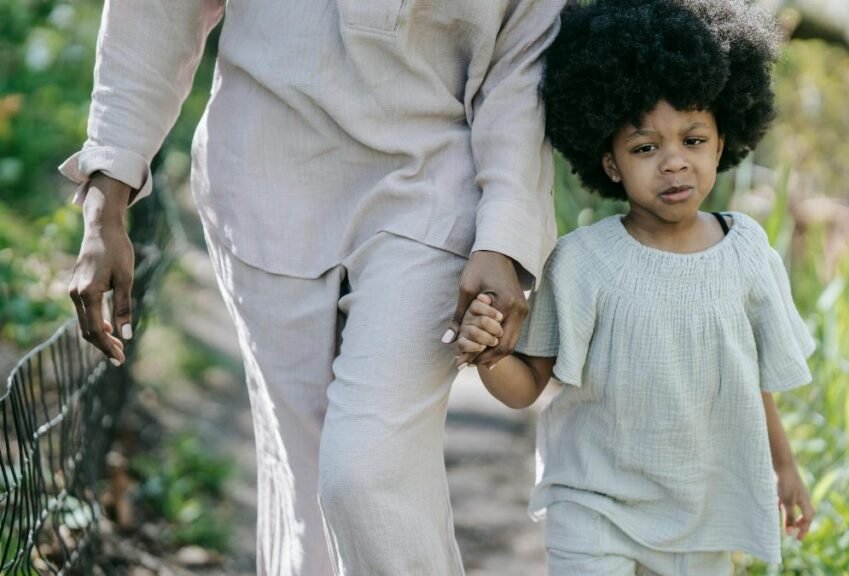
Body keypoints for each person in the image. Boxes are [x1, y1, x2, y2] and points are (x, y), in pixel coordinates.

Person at [61, 0, 563, 574]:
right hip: (262, 180)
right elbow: (154, 15)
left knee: (367, 471)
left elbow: (521, 66)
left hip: (437, 185)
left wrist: (502, 238)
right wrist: (106, 201)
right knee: (301, 475)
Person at [455, 0, 816, 573]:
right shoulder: (582, 261)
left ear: (723, 143)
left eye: (693, 140)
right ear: (611, 163)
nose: (673, 163)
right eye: (646, 147)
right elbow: (527, 387)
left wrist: (784, 467)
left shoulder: (746, 251)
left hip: (703, 514)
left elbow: (751, 377)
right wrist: (488, 352)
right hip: (594, 508)